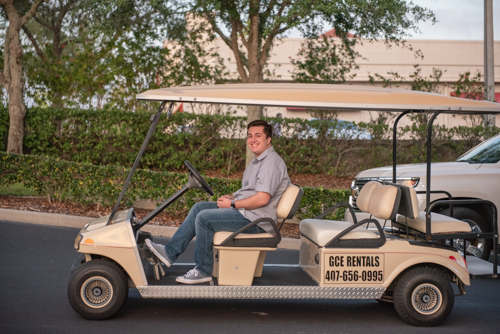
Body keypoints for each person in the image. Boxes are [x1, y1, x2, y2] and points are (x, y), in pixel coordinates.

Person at [146, 120, 290, 284]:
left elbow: (262, 198)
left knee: (204, 218)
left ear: (268, 139)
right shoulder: (258, 160)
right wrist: (234, 198)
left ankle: (203, 270)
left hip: (257, 221)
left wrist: (233, 205)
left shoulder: (270, 163)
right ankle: (170, 253)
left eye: (258, 135)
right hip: (249, 214)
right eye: (250, 136)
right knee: (199, 207)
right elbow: (253, 192)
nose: (253, 140)